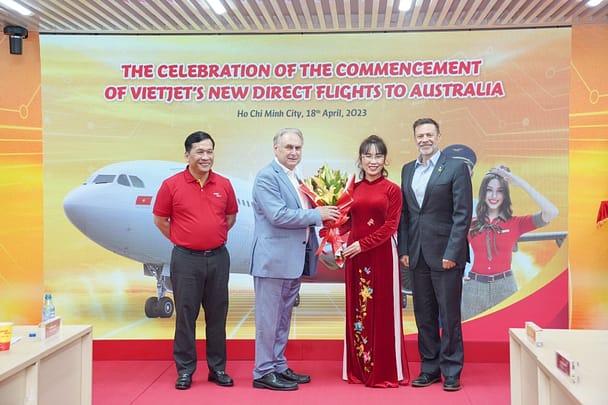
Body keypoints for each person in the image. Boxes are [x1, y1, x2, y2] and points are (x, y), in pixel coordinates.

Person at [250, 127, 340, 391]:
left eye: (298, 148)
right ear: (275, 148)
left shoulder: (295, 179)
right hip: (273, 262)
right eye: (288, 147)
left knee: (282, 318)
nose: (293, 152)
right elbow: (278, 216)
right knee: (269, 320)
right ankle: (263, 372)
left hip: (292, 261)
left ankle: (277, 365)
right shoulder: (267, 177)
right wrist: (318, 214)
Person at [153, 131, 237, 390]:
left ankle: (218, 368)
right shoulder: (171, 185)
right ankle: (186, 370)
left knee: (217, 315)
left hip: (218, 258)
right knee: (186, 315)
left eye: (210, 151)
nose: (206, 157)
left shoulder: (224, 184)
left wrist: (211, 236)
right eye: (200, 152)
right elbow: (160, 220)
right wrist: (185, 239)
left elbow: (230, 218)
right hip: (186, 260)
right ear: (187, 155)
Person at [398, 118, 473, 392]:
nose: (425, 139)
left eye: (429, 134)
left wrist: (453, 252)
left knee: (449, 316)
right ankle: (429, 368)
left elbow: (462, 215)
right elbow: (405, 215)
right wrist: (404, 249)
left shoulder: (456, 168)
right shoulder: (407, 170)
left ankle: (452, 371)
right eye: (420, 135)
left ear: (439, 136)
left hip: (446, 256)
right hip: (416, 256)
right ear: (415, 138)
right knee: (424, 315)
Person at [339, 135, 410, 387]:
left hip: (381, 255)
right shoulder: (351, 189)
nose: (373, 161)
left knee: (381, 311)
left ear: (385, 159)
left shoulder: (392, 190)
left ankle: (383, 371)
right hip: (354, 257)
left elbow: (391, 226)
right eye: (367, 156)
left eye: (378, 156)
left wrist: (362, 244)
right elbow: (347, 222)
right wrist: (333, 230)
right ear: (360, 159)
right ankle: (359, 368)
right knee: (358, 310)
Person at [462, 165, 559, 320]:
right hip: (473, 288)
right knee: (470, 338)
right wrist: (461, 276)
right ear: (482, 193)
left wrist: (520, 183)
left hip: (505, 287)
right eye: (489, 190)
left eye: (500, 190)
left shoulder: (516, 223)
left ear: (505, 195)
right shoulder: (470, 224)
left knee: (509, 337)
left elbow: (552, 212)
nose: (494, 195)